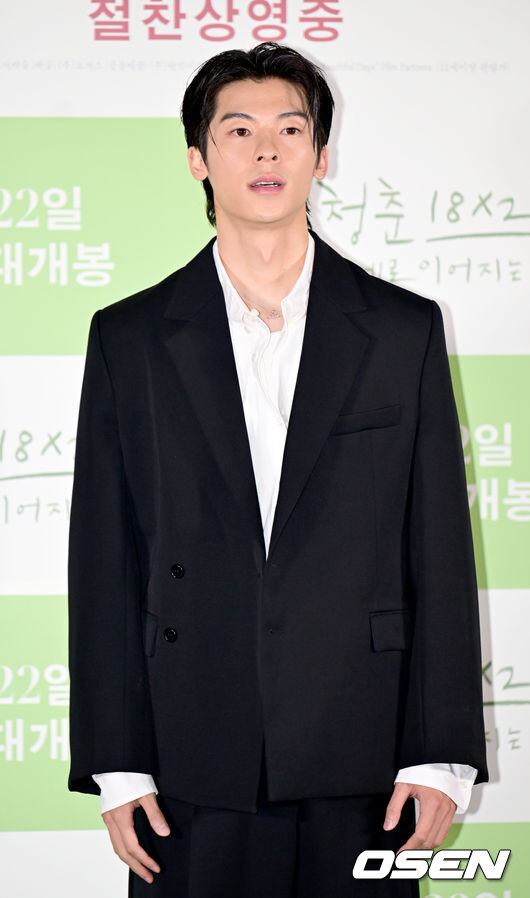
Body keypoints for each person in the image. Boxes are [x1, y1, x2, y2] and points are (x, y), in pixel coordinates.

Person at [67, 42, 488, 897]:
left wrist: (440, 754)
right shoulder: (130, 338)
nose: (267, 150)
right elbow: (105, 560)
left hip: (365, 751)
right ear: (198, 158)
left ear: (321, 155)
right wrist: (118, 763)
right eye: (239, 130)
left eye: (291, 129)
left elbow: (438, 547)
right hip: (188, 756)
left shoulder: (401, 330)